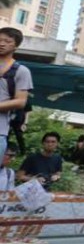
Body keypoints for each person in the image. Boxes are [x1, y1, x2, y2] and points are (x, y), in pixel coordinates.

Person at [0, 27, 32, 160]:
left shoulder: (21, 71)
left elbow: (21, 101)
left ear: (16, 46)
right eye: (0, 40)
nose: (2, 43)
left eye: (7, 41)